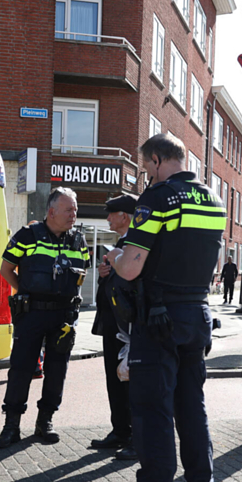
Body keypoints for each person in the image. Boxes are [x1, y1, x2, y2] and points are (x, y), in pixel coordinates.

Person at [103, 133, 226, 482]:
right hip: (197, 314)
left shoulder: (156, 199)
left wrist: (114, 256)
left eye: (145, 168)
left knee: (152, 411)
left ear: (156, 161)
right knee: (192, 408)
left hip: (158, 320)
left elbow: (132, 267)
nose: (145, 176)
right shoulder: (213, 200)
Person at [0, 188, 89, 449]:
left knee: (57, 370)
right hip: (32, 314)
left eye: (75, 209)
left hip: (63, 316)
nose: (74, 214)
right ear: (52, 211)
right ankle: (11, 426)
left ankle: (44, 422)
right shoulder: (27, 235)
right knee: (22, 370)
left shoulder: (79, 240)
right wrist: (24, 292)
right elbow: (5, 269)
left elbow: (82, 274)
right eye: (69, 209)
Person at [89, 194, 138, 460]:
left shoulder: (137, 241)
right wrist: (105, 275)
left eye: (111, 213)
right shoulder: (121, 242)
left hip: (128, 327)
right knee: (114, 378)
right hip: (114, 324)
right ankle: (120, 430)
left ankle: (135, 437)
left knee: (129, 380)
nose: (107, 218)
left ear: (125, 216)